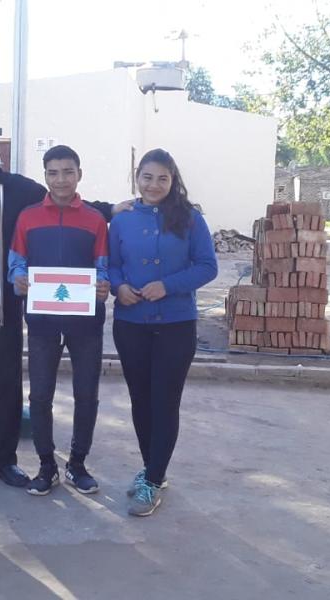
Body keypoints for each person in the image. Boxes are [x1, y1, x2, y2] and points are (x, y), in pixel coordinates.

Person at [0, 121, 124, 488]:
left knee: (5, 385)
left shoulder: (17, 189)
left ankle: (4, 459)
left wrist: (113, 208)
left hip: (3, 307)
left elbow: (62, 198)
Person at [109, 148, 218, 517]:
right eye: (147, 177)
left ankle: (152, 480)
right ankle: (153, 469)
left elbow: (207, 266)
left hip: (175, 323)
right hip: (131, 324)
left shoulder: (189, 218)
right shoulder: (122, 220)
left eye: (162, 178)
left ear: (173, 181)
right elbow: (111, 264)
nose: (154, 185)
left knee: (165, 400)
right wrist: (118, 287)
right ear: (136, 178)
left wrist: (167, 286)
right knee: (140, 400)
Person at [7, 145, 110, 496]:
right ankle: (47, 465)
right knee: (40, 395)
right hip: (41, 322)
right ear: (45, 176)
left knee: (86, 394)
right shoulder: (28, 217)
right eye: (53, 172)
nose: (61, 179)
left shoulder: (96, 220)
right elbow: (15, 261)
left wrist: (104, 286)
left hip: (86, 323)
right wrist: (17, 278)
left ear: (79, 174)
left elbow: (103, 267)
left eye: (68, 171)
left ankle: (77, 465)